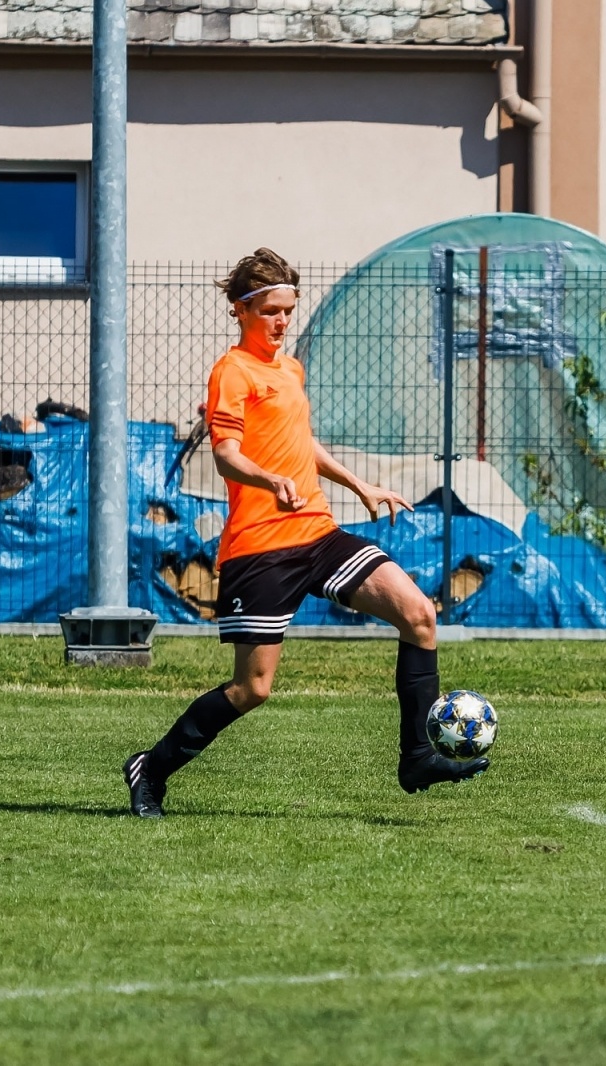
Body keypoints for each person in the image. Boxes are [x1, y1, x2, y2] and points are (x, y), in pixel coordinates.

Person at [123, 248, 489, 818]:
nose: (283, 321)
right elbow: (226, 455)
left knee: (419, 615)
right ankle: (151, 767)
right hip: (261, 549)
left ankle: (418, 754)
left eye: (289, 310)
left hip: (317, 532)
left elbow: (301, 443)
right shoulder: (232, 372)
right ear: (244, 309)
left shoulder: (289, 370)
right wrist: (269, 479)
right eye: (272, 310)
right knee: (252, 689)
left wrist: (359, 484)